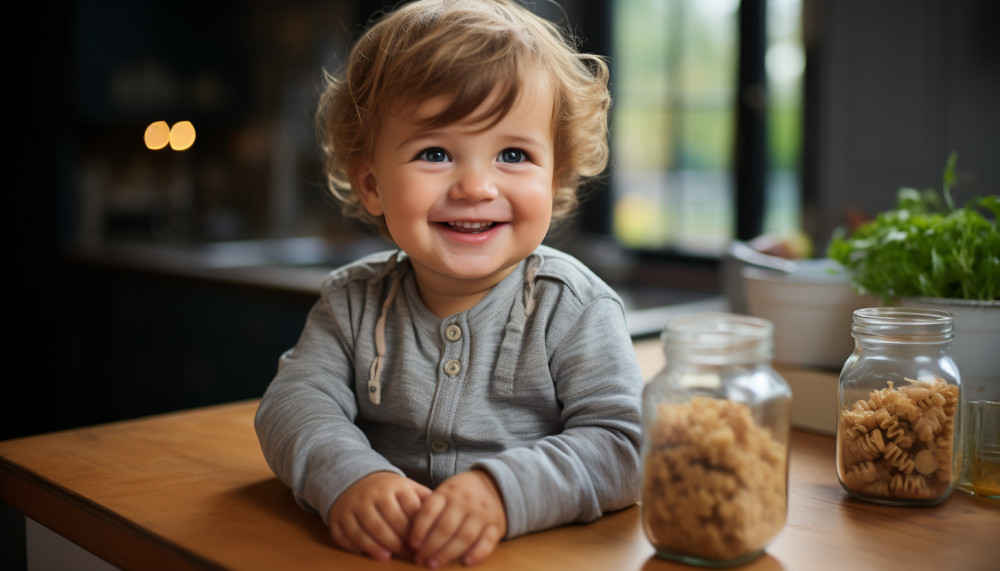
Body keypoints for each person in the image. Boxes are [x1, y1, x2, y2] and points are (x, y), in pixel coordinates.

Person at [254, 0, 643, 567]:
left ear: (555, 177)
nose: (476, 186)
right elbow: (292, 406)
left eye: (513, 154)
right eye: (435, 153)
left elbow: (624, 445)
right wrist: (349, 478)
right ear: (372, 184)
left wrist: (503, 494)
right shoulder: (351, 302)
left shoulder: (574, 308)